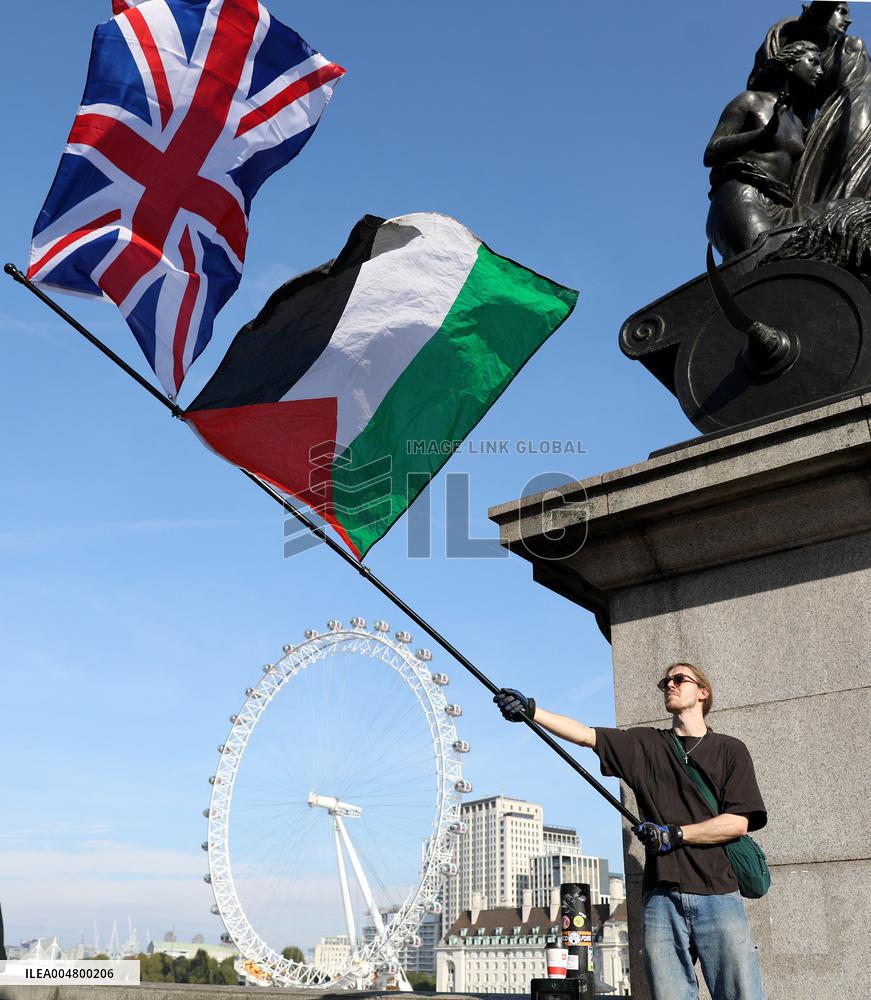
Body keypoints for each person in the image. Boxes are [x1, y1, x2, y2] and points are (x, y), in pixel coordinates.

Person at [495, 663, 767, 1000]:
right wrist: (532, 711)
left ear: (702, 692)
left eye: (679, 679)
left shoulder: (730, 750)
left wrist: (674, 835)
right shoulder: (645, 745)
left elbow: (738, 822)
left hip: (718, 894)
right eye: (665, 681)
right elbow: (584, 735)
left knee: (740, 994)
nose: (670, 684)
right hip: (660, 897)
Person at [705, 40, 824, 258]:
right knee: (764, 262)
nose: (820, 71)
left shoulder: (799, 124)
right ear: (790, 64)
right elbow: (711, 152)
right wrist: (761, 135)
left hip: (783, 208)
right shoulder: (749, 101)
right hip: (743, 198)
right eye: (813, 63)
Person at [756, 3, 871, 205]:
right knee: (849, 193)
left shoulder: (845, 44)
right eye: (841, 11)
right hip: (849, 117)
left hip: (863, 110)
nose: (849, 19)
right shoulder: (814, 41)